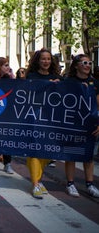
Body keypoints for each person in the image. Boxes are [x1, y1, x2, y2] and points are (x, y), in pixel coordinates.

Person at [25, 48, 63, 198]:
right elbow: (29, 90)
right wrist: (48, 84)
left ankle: (38, 180)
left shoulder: (57, 77)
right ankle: (35, 183)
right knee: (35, 147)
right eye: (43, 59)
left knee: (47, 150)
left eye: (48, 59)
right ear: (38, 61)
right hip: (34, 115)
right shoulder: (32, 76)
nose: (46, 61)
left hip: (51, 117)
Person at [63, 54, 99, 198]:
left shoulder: (95, 83)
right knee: (71, 154)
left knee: (88, 154)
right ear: (77, 65)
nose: (88, 65)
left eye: (90, 63)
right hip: (72, 122)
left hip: (90, 123)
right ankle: (70, 183)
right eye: (84, 62)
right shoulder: (69, 82)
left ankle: (89, 184)